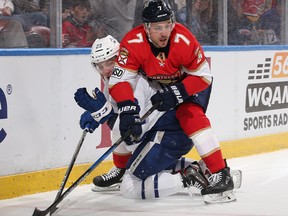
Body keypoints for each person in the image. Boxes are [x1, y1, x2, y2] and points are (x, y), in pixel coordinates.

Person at [108, 0, 235, 202]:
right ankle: (122, 168)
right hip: (158, 84)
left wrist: (177, 92)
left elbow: (203, 77)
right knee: (133, 122)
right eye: (158, 27)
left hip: (189, 82)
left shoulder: (184, 40)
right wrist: (127, 108)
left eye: (168, 25)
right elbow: (119, 81)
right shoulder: (132, 43)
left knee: (189, 114)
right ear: (146, 28)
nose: (164, 32)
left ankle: (221, 173)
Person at [74, 35, 211, 199]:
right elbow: (121, 120)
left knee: (130, 187)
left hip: (167, 137)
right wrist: (98, 114)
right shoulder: (116, 80)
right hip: (162, 133)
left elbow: (133, 133)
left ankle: (186, 178)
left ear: (120, 58)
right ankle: (192, 167)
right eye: (100, 66)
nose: (105, 70)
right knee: (121, 136)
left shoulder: (133, 83)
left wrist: (103, 114)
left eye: (110, 63)